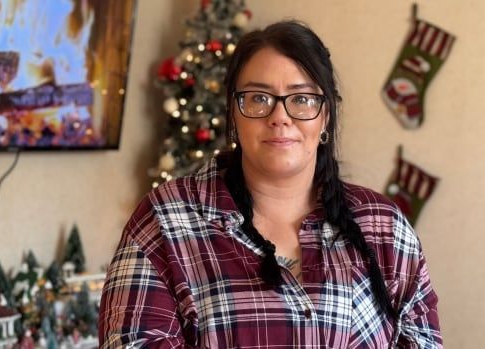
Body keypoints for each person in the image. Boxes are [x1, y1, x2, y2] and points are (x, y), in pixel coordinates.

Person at [98, 20, 441, 348]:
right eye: (259, 98)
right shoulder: (164, 221)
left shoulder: (384, 226)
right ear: (233, 114)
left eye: (302, 99)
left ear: (325, 117)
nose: (280, 117)